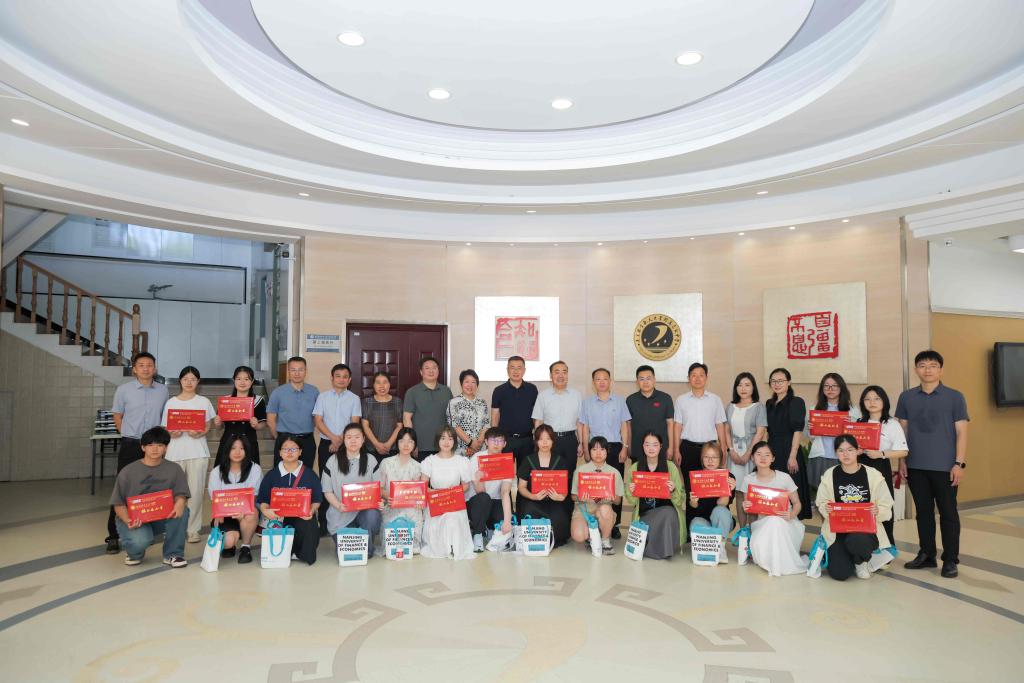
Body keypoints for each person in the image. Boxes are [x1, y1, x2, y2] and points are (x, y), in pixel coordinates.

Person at [896, 350, 969, 578]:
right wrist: (902, 461)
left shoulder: (955, 397)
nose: (927, 370)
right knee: (923, 513)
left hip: (946, 467)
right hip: (915, 466)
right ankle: (927, 554)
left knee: (948, 514)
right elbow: (902, 432)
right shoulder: (906, 397)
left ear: (941, 370)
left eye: (933, 365)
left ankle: (950, 560)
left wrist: (959, 464)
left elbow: (962, 432)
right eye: (922, 365)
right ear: (916, 369)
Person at [105, 351, 169, 554]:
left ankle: (146, 530)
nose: (145, 368)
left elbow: (164, 416)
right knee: (123, 488)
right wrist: (125, 433)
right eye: (141, 365)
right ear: (134, 369)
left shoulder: (163, 391)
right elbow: (117, 414)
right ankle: (113, 535)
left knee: (152, 488)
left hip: (154, 446)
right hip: (131, 444)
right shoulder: (123, 390)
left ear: (155, 368)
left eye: (149, 365)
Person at [815, 434, 894, 581]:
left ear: (858, 451)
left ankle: (860, 562)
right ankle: (848, 556)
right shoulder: (830, 474)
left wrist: (878, 510)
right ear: (836, 453)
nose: (845, 454)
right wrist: (826, 508)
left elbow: (886, 503)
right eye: (841, 450)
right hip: (838, 531)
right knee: (840, 574)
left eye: (850, 450)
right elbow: (821, 501)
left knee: (858, 541)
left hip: (864, 531)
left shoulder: (873, 475)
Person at [110, 426, 189, 567]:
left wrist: (180, 503)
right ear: (143, 447)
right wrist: (128, 520)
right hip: (134, 519)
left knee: (183, 511)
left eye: (160, 445)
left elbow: (181, 494)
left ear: (166, 448)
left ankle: (173, 554)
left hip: (161, 516)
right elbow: (118, 503)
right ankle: (134, 553)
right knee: (140, 541)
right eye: (150, 445)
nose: (155, 449)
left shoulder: (174, 469)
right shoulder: (128, 471)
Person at [161, 365, 216, 543]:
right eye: (186, 379)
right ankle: (173, 528)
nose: (189, 382)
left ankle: (193, 529)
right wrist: (171, 433)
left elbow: (208, 425)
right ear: (180, 381)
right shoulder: (171, 402)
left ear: (198, 382)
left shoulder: (204, 401)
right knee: (173, 493)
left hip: (197, 452)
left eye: (193, 379)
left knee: (196, 492)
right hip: (175, 453)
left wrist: (201, 432)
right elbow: (165, 426)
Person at [739, 442, 808, 577]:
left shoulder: (784, 478)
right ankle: (775, 563)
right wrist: (746, 506)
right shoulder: (748, 480)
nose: (763, 458)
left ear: (773, 458)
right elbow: (750, 509)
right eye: (759, 454)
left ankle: (776, 565)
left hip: (787, 524)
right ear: (752, 457)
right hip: (762, 525)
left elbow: (797, 504)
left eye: (767, 455)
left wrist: (791, 514)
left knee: (775, 521)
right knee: (772, 521)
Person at [578, 368, 631, 538]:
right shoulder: (587, 403)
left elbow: (624, 425)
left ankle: (615, 524)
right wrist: (586, 448)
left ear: (610, 381)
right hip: (595, 448)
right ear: (593, 382)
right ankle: (596, 521)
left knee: (615, 486)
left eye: (605, 378)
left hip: (615, 447)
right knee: (595, 485)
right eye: (598, 379)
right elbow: (585, 427)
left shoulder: (620, 401)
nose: (601, 382)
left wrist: (625, 447)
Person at [257, 437, 323, 565]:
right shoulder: (271, 475)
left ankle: (302, 554)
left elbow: (316, 499)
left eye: (293, 449)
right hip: (277, 517)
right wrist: (265, 511)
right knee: (274, 530)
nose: (289, 452)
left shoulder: (310, 474)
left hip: (301, 516)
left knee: (309, 523)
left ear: (300, 452)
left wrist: (312, 510)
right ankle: (282, 552)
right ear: (280, 453)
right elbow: (263, 500)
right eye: (285, 449)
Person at [320, 424, 384, 557]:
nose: (353, 441)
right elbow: (327, 491)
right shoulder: (332, 461)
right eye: (349, 437)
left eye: (357, 437)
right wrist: (339, 505)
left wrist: (379, 502)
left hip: (364, 512)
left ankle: (367, 542)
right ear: (343, 440)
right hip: (341, 514)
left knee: (372, 516)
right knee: (349, 553)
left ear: (363, 439)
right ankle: (363, 542)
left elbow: (377, 488)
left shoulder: (371, 460)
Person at [312, 363, 362, 533]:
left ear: (350, 380)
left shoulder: (354, 399)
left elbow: (355, 422)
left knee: (347, 480)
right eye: (338, 376)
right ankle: (324, 524)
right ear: (332, 378)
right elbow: (318, 421)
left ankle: (350, 520)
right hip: (327, 444)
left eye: (345, 376)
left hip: (348, 445)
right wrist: (333, 438)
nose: (341, 379)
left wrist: (340, 440)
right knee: (326, 482)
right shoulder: (323, 397)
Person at [857, 385, 908, 546]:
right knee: (861, 505)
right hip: (859, 467)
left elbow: (903, 451)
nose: (872, 402)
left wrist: (881, 454)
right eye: (867, 399)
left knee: (882, 506)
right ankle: (863, 545)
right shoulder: (858, 423)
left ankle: (886, 546)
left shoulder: (892, 424)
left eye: (876, 398)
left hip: (880, 466)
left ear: (884, 401)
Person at [623, 431, 685, 559]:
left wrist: (673, 490)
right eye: (647, 444)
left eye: (655, 445)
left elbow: (680, 500)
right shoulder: (635, 468)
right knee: (665, 514)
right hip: (645, 515)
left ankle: (661, 550)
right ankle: (655, 550)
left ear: (661, 446)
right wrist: (632, 491)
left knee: (668, 512)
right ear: (643, 446)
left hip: (668, 515)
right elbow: (632, 502)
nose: (651, 448)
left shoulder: (670, 467)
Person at [420, 426, 475, 559]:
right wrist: (437, 494)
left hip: (454, 501)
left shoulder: (461, 461)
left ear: (454, 441)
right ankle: (444, 547)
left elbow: (466, 485)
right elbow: (423, 486)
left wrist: (452, 493)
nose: (446, 442)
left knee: (452, 518)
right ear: (437, 440)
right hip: (436, 502)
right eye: (443, 438)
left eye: (450, 439)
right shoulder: (430, 461)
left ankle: (454, 546)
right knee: (443, 521)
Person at [207, 434, 262, 564]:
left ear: (246, 450)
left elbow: (253, 497)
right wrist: (219, 515)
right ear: (227, 450)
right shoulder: (217, 471)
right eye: (233, 448)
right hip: (225, 514)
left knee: (252, 512)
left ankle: (245, 547)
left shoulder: (255, 469)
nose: (237, 452)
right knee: (228, 542)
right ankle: (231, 544)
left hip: (246, 512)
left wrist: (241, 512)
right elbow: (215, 499)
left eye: (241, 448)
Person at [764, 368, 811, 520]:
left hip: (789, 449)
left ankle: (793, 524)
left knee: (791, 490)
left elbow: (798, 430)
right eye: (773, 381)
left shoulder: (796, 402)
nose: (777, 384)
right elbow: (767, 431)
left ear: (789, 382)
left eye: (781, 381)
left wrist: (793, 456)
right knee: (774, 490)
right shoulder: (769, 403)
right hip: (773, 450)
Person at [516, 424, 572, 547]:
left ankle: (551, 540)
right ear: (536, 441)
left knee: (559, 521)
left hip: (554, 501)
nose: (545, 442)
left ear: (553, 441)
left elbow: (565, 489)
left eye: (548, 439)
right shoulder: (528, 460)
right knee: (530, 513)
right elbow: (521, 487)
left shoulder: (560, 461)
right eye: (541, 439)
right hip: (533, 501)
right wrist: (533, 496)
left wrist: (561, 496)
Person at [532, 361, 583, 489]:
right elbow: (538, 421)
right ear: (551, 375)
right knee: (550, 474)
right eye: (557, 372)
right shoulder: (543, 396)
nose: (561, 375)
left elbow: (579, 422)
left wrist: (581, 443)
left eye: (564, 372)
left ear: (567, 375)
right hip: (550, 440)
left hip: (570, 440)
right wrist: (538, 443)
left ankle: (567, 501)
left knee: (569, 473)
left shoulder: (576, 395)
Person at [725, 372, 767, 529]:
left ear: (753, 387)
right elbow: (726, 430)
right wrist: (731, 450)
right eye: (740, 385)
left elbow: (760, 431)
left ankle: (753, 530)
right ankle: (742, 530)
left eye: (747, 385)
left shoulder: (758, 407)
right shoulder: (730, 407)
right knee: (738, 492)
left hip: (752, 452)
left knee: (751, 492)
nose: (743, 388)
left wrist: (749, 453)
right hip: (734, 452)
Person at [806, 372, 861, 490]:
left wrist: (850, 426)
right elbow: (810, 437)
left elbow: (858, 437)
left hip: (844, 456)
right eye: (826, 386)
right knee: (822, 492)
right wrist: (811, 429)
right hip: (821, 456)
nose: (830, 389)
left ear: (841, 388)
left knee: (844, 490)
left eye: (834, 386)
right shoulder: (814, 408)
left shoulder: (852, 411)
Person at [672, 362, 727, 479]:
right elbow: (677, 426)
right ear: (688, 378)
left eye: (701, 375)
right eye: (694, 375)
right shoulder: (681, 400)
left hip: (710, 449)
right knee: (689, 484)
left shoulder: (715, 399)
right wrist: (676, 449)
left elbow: (719, 424)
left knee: (710, 484)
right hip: (688, 448)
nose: (697, 378)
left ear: (706, 378)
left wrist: (723, 447)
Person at [570, 436, 624, 555]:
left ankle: (605, 540)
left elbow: (618, 501)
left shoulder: (614, 472)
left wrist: (611, 497)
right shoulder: (580, 470)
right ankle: (592, 536)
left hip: (604, 510)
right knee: (579, 535)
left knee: (605, 509)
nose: (598, 453)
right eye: (594, 449)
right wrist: (580, 497)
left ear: (607, 451)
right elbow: (573, 496)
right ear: (589, 451)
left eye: (602, 449)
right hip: (584, 510)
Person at [466, 427, 515, 552]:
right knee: (484, 498)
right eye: (493, 440)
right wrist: (478, 480)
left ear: (505, 444)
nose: (496, 444)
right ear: (486, 442)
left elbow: (505, 492)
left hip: (495, 501)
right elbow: (480, 492)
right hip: (477, 502)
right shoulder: (477, 458)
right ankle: (477, 533)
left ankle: (490, 528)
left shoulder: (506, 462)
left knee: (506, 519)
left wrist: (507, 521)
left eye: (500, 441)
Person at [377, 427, 425, 552]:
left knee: (415, 513)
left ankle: (412, 544)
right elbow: (380, 488)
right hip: (391, 505)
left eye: (410, 441)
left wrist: (417, 501)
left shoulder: (418, 466)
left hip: (411, 506)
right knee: (392, 545)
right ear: (397, 443)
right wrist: (389, 497)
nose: (406, 445)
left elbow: (419, 493)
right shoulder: (386, 463)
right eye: (402, 441)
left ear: (415, 445)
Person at [267, 356, 319, 468]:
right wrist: (279, 438)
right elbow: (271, 420)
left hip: (307, 441)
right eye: (293, 370)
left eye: (300, 370)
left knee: (305, 473)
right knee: (282, 473)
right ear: (288, 371)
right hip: (285, 440)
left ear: (306, 371)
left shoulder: (314, 392)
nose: (297, 373)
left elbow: (318, 417)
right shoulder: (278, 392)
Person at [686, 442, 737, 551]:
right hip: (701, 518)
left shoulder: (728, 477)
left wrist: (727, 490)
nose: (710, 461)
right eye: (706, 457)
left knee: (720, 511)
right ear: (702, 458)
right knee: (696, 524)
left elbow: (722, 504)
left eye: (714, 457)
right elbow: (693, 507)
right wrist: (693, 501)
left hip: (722, 520)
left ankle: (720, 548)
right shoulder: (694, 477)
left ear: (720, 459)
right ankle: (709, 550)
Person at [214, 365, 267, 467]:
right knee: (225, 472)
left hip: (249, 441)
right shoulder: (226, 400)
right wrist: (217, 423)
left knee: (249, 473)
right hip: (228, 441)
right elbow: (219, 427)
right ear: (234, 380)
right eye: (238, 379)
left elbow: (263, 424)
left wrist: (256, 425)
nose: (242, 382)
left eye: (246, 379)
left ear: (252, 381)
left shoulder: (258, 400)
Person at [403, 356, 453, 460]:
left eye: (434, 368)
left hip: (443, 445)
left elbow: (452, 418)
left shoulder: (446, 391)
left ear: (438, 370)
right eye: (427, 368)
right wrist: (412, 443)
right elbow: (407, 419)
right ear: (421, 372)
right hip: (420, 447)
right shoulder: (412, 392)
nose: (431, 371)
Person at [490, 355, 539, 462]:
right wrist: (495, 439)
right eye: (512, 367)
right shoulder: (499, 390)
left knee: (526, 471)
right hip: (506, 441)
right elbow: (495, 415)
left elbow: (536, 415)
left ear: (524, 370)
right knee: (504, 471)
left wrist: (537, 436)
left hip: (527, 440)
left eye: (519, 368)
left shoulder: (532, 389)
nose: (516, 371)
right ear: (507, 370)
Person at [625, 365, 675, 462]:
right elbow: (628, 426)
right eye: (642, 379)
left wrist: (671, 447)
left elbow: (670, 424)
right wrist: (628, 446)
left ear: (654, 379)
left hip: (661, 450)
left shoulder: (665, 398)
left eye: (648, 378)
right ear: (637, 381)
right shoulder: (630, 400)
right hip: (637, 449)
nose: (645, 382)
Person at [447, 369, 490, 457]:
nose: (470, 385)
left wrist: (479, 443)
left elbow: (486, 424)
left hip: (479, 449)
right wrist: (470, 443)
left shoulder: (482, 402)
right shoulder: (454, 402)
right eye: (467, 381)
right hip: (461, 450)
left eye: (473, 382)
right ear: (461, 383)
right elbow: (454, 425)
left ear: (477, 385)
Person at [362, 372, 403, 458]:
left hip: (392, 449)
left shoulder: (397, 402)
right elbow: (365, 426)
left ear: (389, 384)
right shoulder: (366, 402)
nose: (382, 386)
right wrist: (377, 444)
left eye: (385, 382)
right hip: (371, 448)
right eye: (378, 382)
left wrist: (388, 444)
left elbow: (399, 426)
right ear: (373, 385)